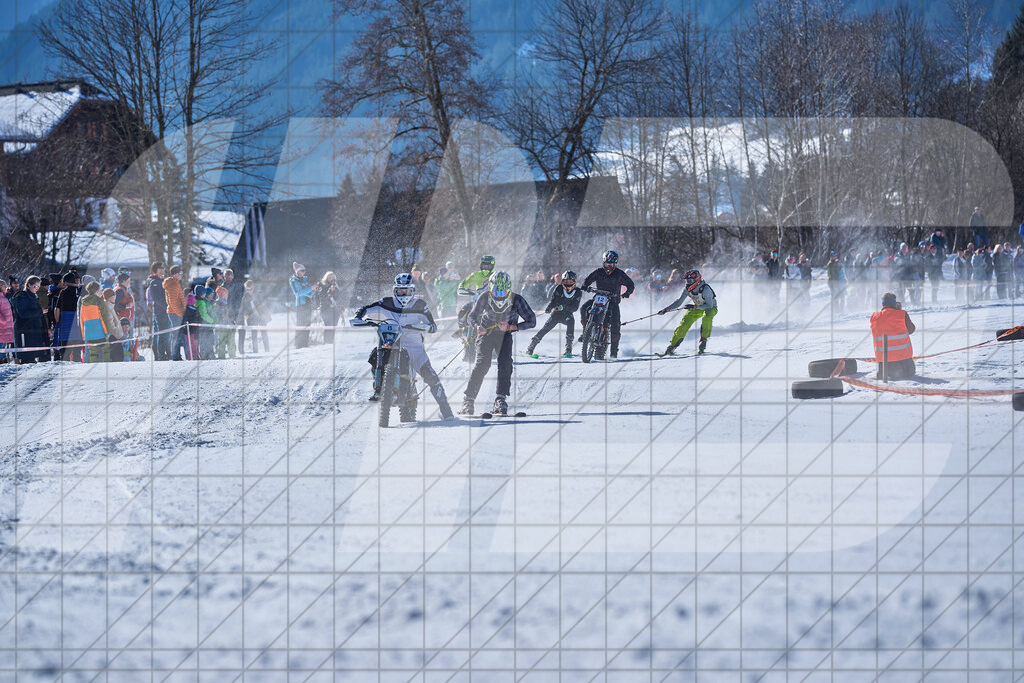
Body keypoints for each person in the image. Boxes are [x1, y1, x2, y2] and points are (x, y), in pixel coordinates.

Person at [351, 272, 454, 420]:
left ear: (413, 290)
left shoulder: (420, 304)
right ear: (395, 290)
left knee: (431, 376)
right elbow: (366, 308)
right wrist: (358, 318)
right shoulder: (386, 302)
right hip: (390, 343)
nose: (404, 293)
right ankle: (378, 388)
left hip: (414, 347)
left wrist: (425, 327)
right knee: (374, 355)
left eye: (407, 290)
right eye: (400, 290)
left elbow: (433, 325)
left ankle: (446, 411)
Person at [459, 271, 536, 416]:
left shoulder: (516, 299)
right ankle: (468, 400)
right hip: (486, 333)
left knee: (505, 363)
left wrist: (512, 327)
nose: (499, 294)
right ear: (490, 288)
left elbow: (532, 321)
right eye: (496, 291)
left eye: (502, 291)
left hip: (505, 335)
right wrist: (477, 326)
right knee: (483, 363)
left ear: (508, 289)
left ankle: (500, 399)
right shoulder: (484, 297)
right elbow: (472, 316)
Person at [580, 250, 635, 358]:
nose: (609, 267)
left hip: (613, 302)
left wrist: (627, 293)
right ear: (603, 263)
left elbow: (631, 285)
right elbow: (588, 279)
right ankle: (586, 332)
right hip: (598, 298)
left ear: (615, 264)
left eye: (612, 264)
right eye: (607, 264)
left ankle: (614, 352)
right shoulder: (599, 272)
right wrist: (585, 285)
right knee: (584, 308)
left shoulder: (619, 274)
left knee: (615, 325)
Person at [657, 269, 717, 355]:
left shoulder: (706, 289)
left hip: (710, 307)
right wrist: (667, 309)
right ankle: (672, 346)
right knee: (684, 323)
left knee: (707, 317)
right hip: (697, 307)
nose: (688, 282)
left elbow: (709, 305)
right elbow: (679, 302)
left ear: (697, 280)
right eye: (687, 280)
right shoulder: (687, 289)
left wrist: (694, 306)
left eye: (690, 280)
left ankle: (703, 340)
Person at [525, 270, 582, 358]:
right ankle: (532, 346)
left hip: (567, 314)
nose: (568, 284)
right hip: (556, 314)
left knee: (571, 321)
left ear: (574, 282)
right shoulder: (559, 288)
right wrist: (549, 307)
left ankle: (568, 347)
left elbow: (575, 307)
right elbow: (553, 301)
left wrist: (564, 307)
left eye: (570, 282)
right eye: (566, 281)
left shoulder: (578, 291)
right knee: (545, 328)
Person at [870, 292, 916, 380]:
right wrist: (898, 311)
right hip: (903, 361)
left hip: (884, 364)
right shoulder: (902, 314)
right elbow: (911, 330)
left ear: (883, 304)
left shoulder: (874, 316)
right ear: (895, 303)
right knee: (908, 374)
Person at [77, 281, 117, 363]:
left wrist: (83, 334)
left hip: (88, 332)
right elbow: (103, 317)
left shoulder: (83, 301)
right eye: (100, 290)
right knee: (105, 351)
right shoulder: (99, 301)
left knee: (92, 354)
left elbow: (81, 319)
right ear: (97, 291)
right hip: (100, 331)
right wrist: (107, 332)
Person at [52, 272, 82, 361]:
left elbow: (57, 309)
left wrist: (58, 321)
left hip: (65, 323)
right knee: (77, 352)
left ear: (66, 282)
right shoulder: (80, 291)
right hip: (77, 323)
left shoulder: (63, 292)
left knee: (65, 353)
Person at [289, 262, 318, 349]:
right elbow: (298, 293)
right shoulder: (293, 280)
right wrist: (310, 288)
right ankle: (298, 345)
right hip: (301, 305)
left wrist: (314, 289)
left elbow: (309, 293)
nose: (304, 272)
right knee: (300, 325)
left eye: (305, 271)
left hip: (308, 304)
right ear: (298, 271)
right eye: (302, 270)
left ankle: (305, 344)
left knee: (307, 324)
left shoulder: (304, 279)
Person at [146, 262, 170, 361]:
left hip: (165, 311)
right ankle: (160, 356)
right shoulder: (154, 282)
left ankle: (164, 354)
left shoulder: (160, 281)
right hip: (160, 312)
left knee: (166, 334)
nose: (164, 269)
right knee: (162, 334)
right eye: (162, 268)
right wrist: (167, 306)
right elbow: (156, 299)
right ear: (158, 269)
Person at [164, 265, 187, 361]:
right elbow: (172, 302)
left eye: (182, 273)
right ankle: (175, 355)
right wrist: (180, 313)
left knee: (178, 335)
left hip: (175, 312)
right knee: (176, 335)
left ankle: (177, 355)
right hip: (175, 313)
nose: (181, 275)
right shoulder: (173, 285)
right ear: (174, 274)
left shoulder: (175, 283)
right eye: (179, 273)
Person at [241, 280, 270, 353]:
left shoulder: (259, 294)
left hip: (261, 317)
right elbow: (245, 309)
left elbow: (264, 305)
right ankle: (255, 350)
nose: (249, 291)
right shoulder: (245, 297)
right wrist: (248, 315)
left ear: (253, 287)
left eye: (250, 289)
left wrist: (264, 315)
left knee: (264, 333)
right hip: (252, 318)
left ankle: (267, 350)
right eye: (247, 289)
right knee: (254, 334)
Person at [113, 272, 137, 360]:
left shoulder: (122, 289)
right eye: (129, 281)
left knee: (127, 341)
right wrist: (126, 306)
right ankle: (123, 358)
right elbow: (114, 305)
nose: (130, 282)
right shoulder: (119, 290)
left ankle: (130, 356)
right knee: (122, 342)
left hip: (125, 320)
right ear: (123, 281)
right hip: (121, 321)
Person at [317, 271, 341, 344]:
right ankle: (327, 342)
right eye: (330, 277)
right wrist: (330, 290)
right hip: (325, 309)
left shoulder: (336, 286)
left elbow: (338, 298)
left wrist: (334, 291)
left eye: (333, 277)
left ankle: (331, 342)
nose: (331, 279)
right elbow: (321, 297)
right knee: (328, 325)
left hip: (335, 309)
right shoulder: (322, 285)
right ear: (326, 278)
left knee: (334, 326)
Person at [0, 279, 13, 362]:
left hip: (6, 328)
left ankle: (3, 359)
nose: (6, 287)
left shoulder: (4, 297)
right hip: (1, 327)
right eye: (4, 286)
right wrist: (3, 320)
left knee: (3, 346)